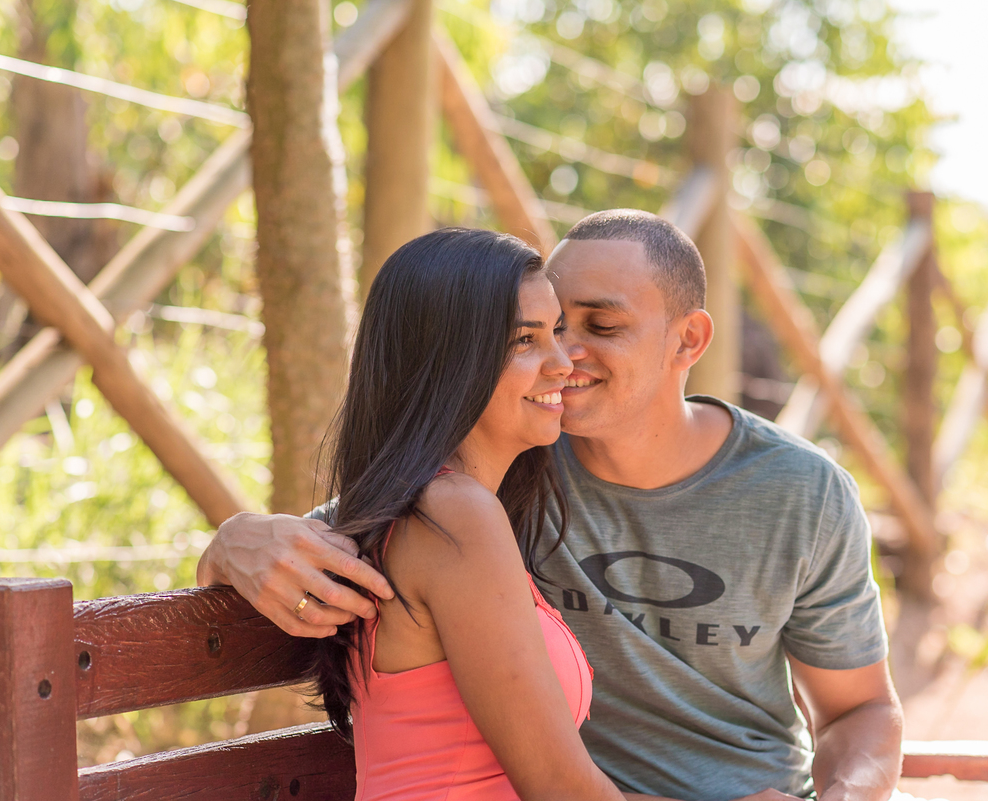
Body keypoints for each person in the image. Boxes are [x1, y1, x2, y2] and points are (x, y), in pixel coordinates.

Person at [199, 210, 904, 801]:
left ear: (687, 340)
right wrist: (233, 538)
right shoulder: (501, 477)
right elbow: (342, 535)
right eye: (543, 330)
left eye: (601, 327)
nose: (567, 356)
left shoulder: (800, 492)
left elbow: (862, 708)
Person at [282, 225, 701, 801]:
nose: (564, 363)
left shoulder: (447, 507)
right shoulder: (455, 514)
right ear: (449, 361)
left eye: (554, 331)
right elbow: (559, 787)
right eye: (524, 341)